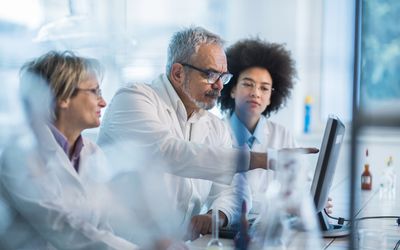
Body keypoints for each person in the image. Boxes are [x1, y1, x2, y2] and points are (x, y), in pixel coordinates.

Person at [97, 27, 318, 240]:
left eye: (223, 76)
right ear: (177, 73)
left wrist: (217, 215)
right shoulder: (134, 98)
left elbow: (235, 189)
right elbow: (168, 152)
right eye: (211, 74)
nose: (219, 86)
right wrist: (262, 159)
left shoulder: (213, 125)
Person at [0, 51, 138, 249]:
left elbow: (104, 225)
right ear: (63, 97)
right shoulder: (20, 155)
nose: (103, 102)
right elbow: (60, 225)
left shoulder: (93, 154)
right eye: (95, 92)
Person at [218, 38, 332, 214]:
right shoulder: (216, 132)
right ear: (232, 89)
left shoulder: (282, 135)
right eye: (248, 84)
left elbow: (304, 183)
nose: (256, 93)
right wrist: (288, 204)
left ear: (271, 98)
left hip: (273, 228)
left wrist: (315, 200)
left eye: (264, 88)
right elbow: (226, 198)